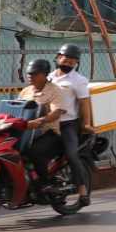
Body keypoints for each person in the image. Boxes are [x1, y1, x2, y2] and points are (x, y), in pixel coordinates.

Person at [18, 58, 87, 202]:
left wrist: (41, 120)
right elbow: (17, 109)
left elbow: (57, 112)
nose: (30, 76)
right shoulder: (26, 91)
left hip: (52, 131)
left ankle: (45, 185)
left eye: (34, 74)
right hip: (27, 132)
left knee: (37, 152)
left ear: (44, 75)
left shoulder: (58, 89)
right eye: (29, 73)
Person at [48, 43, 93, 206]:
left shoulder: (78, 80)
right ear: (58, 58)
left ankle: (82, 192)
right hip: (48, 123)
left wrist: (86, 124)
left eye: (72, 62)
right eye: (66, 60)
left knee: (72, 155)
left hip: (68, 124)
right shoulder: (49, 77)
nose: (68, 64)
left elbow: (84, 104)